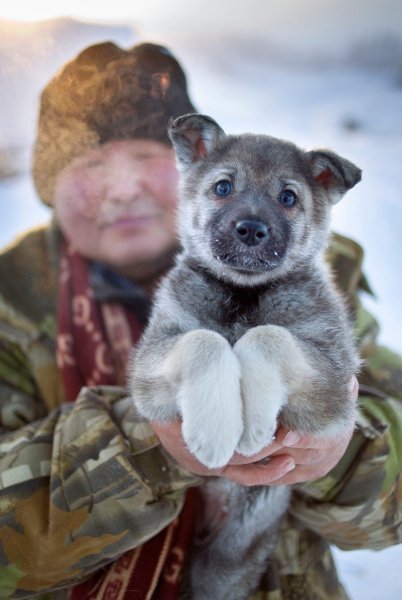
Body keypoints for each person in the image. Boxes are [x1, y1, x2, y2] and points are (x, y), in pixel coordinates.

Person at [0, 41, 400, 600]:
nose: (123, 188)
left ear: (185, 160)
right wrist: (147, 442)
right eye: (91, 163)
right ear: (49, 186)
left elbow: (392, 507)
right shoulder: (9, 309)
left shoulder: (327, 280)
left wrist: (337, 449)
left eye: (143, 158)